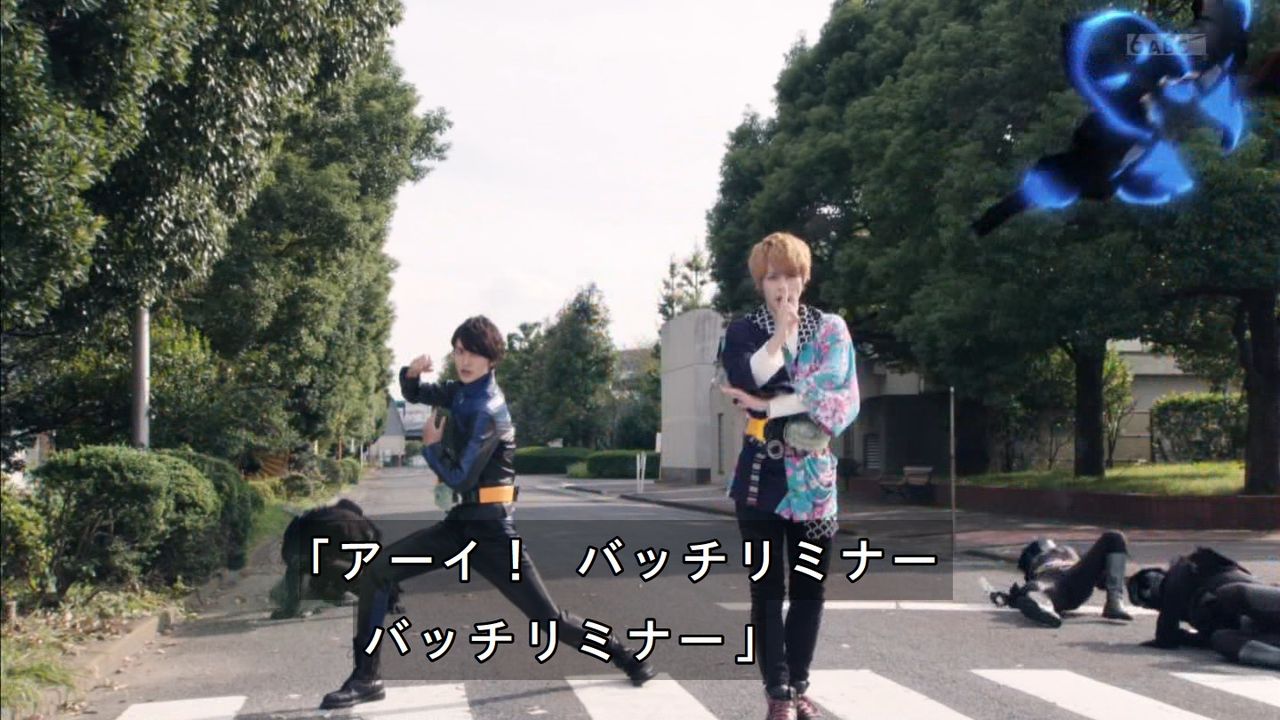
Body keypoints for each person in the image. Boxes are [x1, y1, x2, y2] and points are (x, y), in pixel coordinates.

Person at [321, 316, 655, 709]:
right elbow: (417, 393)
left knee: (548, 619)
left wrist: (430, 447)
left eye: (473, 353)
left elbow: (460, 477)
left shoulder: (486, 407)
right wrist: (410, 375)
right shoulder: (463, 392)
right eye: (459, 352)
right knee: (377, 572)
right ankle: (366, 679)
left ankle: (625, 656)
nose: (464, 360)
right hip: (461, 525)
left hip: (492, 532)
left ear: (491, 359)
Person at [718, 232, 860, 720]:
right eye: (772, 277)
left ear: (805, 278)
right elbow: (744, 379)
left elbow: (839, 394)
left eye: (791, 275)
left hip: (815, 482)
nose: (783, 286)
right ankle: (777, 692)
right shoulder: (743, 330)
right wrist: (779, 336)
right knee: (766, 589)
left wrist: (771, 404)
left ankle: (799, 686)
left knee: (809, 589)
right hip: (760, 479)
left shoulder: (832, 329)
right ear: (760, 283)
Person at [1127, 546, 1280, 669]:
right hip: (1266, 631)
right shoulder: (1197, 615)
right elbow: (1197, 640)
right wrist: (1183, 637)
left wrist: (1165, 634)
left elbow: (1179, 576)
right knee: (1220, 639)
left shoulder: (1193, 568)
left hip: (1271, 608)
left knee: (1231, 594)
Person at [987, 534, 1134, 628]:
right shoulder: (1035, 563)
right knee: (1037, 587)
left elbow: (1102, 580)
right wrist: (1011, 598)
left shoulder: (1070, 553)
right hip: (1054, 585)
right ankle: (1043, 607)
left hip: (1074, 578)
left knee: (1114, 537)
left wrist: (1118, 578)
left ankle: (1115, 601)